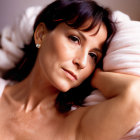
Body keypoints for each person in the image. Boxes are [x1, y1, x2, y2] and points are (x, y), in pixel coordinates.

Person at [0, 0, 140, 139]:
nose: (82, 62)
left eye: (93, 56)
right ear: (41, 35)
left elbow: (136, 97)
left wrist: (94, 77)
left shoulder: (77, 127)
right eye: (75, 39)